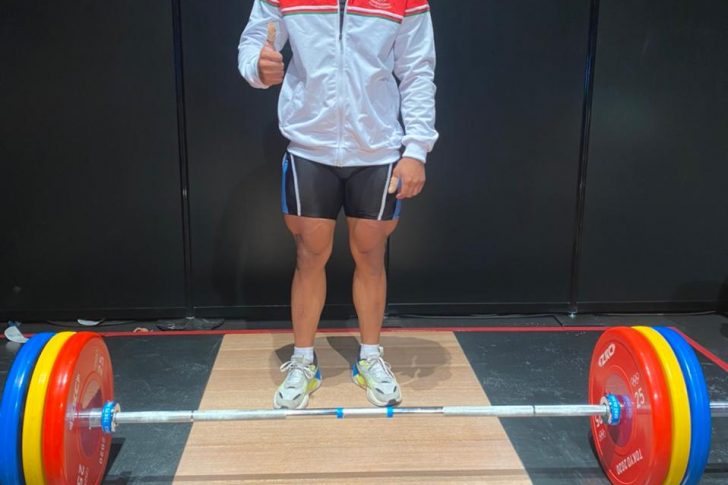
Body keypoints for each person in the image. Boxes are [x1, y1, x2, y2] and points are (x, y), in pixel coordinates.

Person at [238, 0, 438, 409]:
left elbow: (418, 68)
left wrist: (416, 149)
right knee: (309, 255)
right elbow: (254, 41)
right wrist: (256, 67)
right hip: (309, 146)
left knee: (371, 255)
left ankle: (370, 357)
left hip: (378, 148)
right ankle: (303, 361)